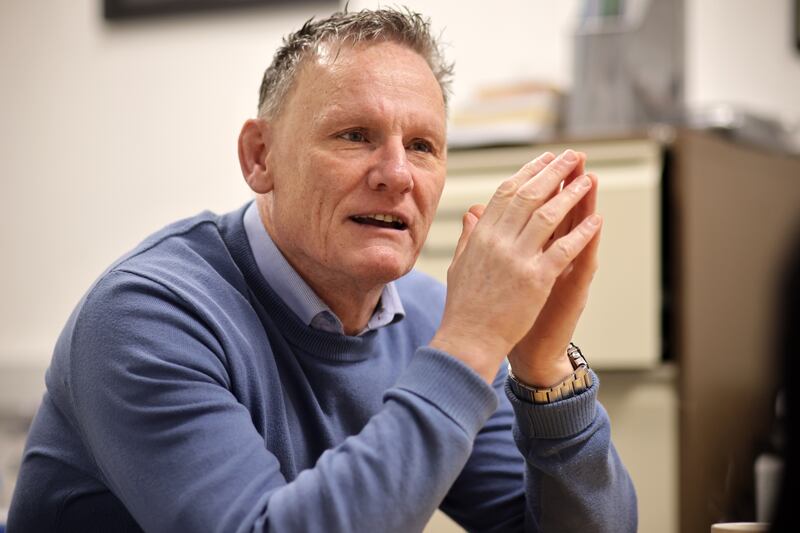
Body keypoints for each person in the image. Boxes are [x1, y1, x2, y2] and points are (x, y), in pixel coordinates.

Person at [8, 7, 637, 532]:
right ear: (260, 158)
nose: (396, 174)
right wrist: (471, 343)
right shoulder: (144, 315)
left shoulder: (418, 314)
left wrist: (544, 371)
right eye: (355, 135)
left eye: (422, 146)